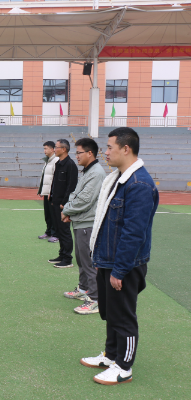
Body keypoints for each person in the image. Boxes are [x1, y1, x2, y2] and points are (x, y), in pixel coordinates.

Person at [80, 127, 158, 385]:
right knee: (110, 313)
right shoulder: (117, 178)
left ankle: (124, 367)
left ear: (126, 149)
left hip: (123, 264)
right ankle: (111, 355)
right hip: (108, 259)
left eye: (110, 147)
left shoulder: (139, 184)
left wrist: (119, 270)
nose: (105, 151)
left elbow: (134, 234)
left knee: (123, 316)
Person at [60, 138, 106, 314]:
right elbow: (75, 194)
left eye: (79, 152)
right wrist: (71, 211)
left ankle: (95, 299)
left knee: (88, 262)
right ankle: (83, 289)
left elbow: (85, 200)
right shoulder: (88, 171)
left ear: (90, 153)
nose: (76, 156)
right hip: (81, 221)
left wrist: (68, 211)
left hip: (88, 223)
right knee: (81, 259)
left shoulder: (96, 173)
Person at [47, 139, 79, 268]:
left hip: (62, 205)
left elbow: (71, 187)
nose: (54, 149)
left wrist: (65, 203)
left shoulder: (70, 165)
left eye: (56, 147)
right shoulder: (59, 163)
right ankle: (62, 254)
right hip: (55, 202)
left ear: (64, 149)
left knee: (65, 231)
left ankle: (67, 259)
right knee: (59, 230)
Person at [36, 141, 59, 243]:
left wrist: (52, 191)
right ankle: (49, 231)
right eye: (44, 148)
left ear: (52, 149)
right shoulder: (48, 161)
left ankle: (56, 234)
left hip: (52, 193)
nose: (44, 150)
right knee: (48, 214)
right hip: (47, 192)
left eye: (46, 148)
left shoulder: (56, 161)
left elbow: (55, 178)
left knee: (54, 214)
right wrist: (42, 190)